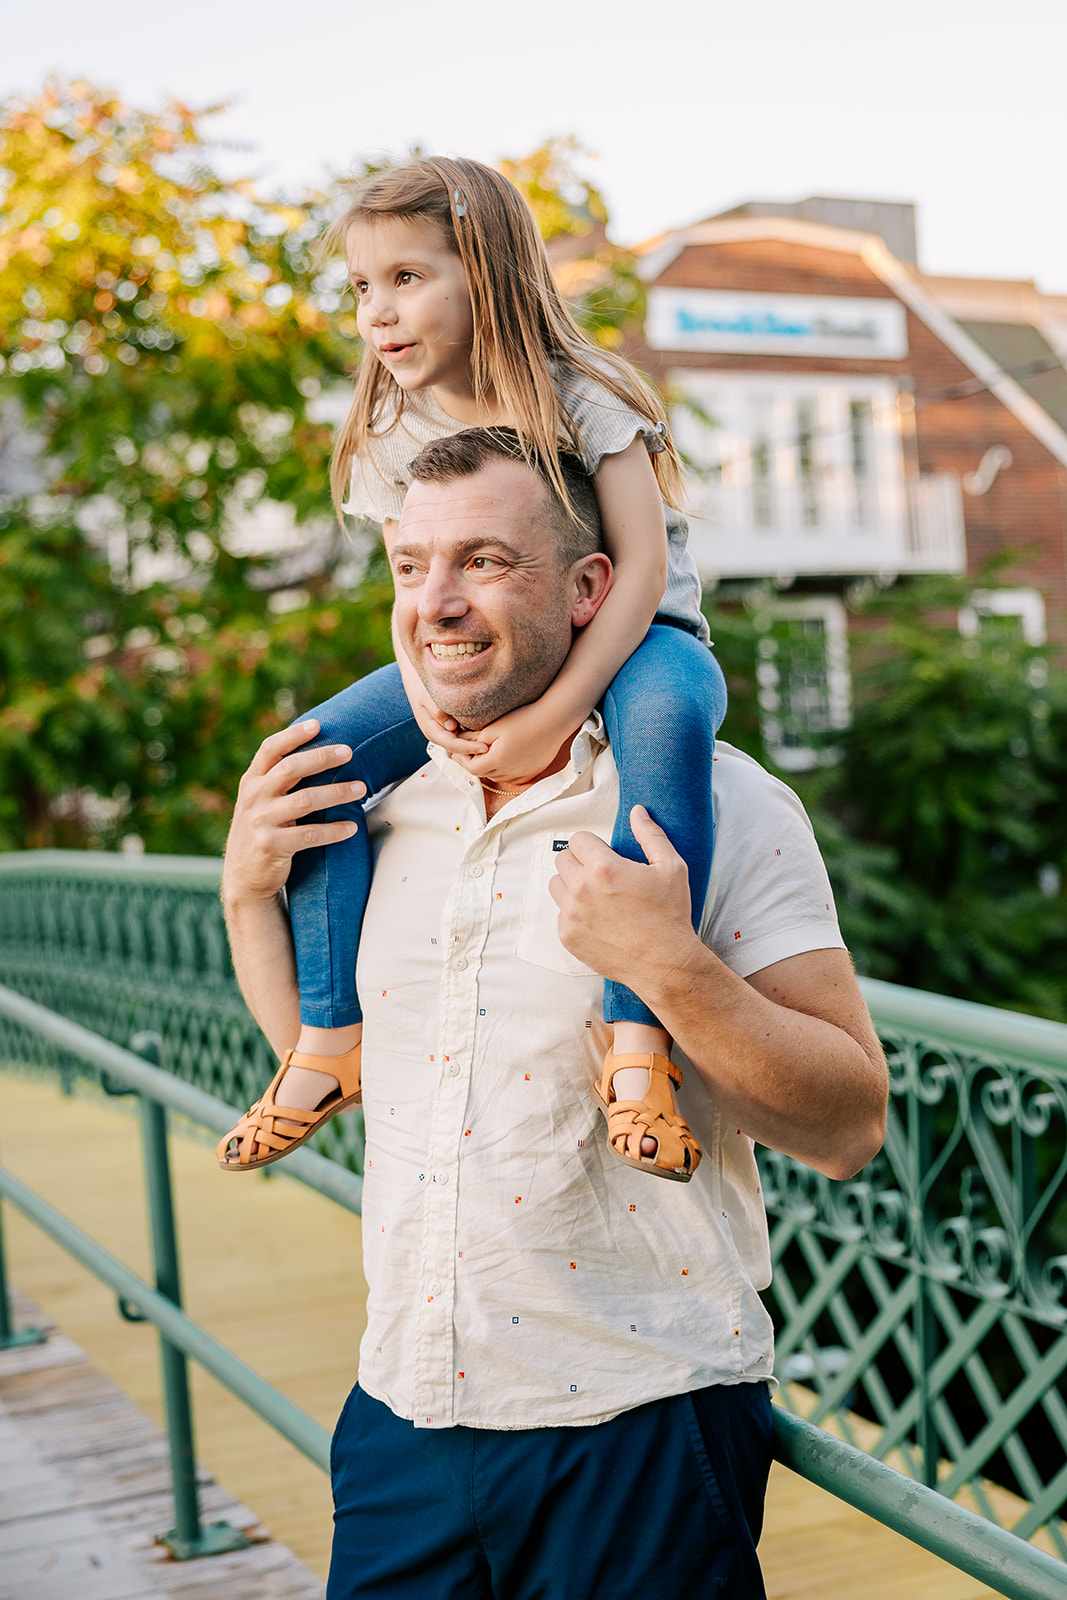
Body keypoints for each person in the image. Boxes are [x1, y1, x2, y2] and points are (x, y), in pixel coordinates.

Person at [221, 429, 889, 1599]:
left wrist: (669, 969)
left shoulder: (720, 803)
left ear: (591, 587)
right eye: (410, 566)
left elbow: (846, 1125)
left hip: (636, 1428)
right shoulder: (375, 807)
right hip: (402, 1414)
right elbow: (335, 1060)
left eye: (483, 561)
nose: (436, 604)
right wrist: (244, 893)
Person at [217, 155, 726, 1181]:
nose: (377, 312)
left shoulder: (577, 397)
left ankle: (638, 1044)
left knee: (667, 726)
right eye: (362, 288)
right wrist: (424, 704)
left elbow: (640, 569)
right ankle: (328, 1037)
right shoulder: (391, 429)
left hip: (636, 637)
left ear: (484, 274)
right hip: (480, 649)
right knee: (315, 759)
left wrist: (556, 714)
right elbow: (410, 596)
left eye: (407, 278)